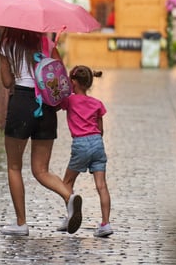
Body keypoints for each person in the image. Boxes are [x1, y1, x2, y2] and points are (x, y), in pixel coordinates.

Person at [0, 26, 82, 236]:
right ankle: (68, 196)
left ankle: (21, 223)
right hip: (46, 107)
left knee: (14, 167)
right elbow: (60, 75)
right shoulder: (47, 44)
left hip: (22, 104)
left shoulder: (7, 45)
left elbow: (8, 82)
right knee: (41, 169)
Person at [58, 65, 113, 238]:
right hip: (97, 143)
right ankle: (105, 224)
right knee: (101, 186)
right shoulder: (97, 104)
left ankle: (70, 217)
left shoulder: (70, 100)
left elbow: (56, 103)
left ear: (73, 82)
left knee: (66, 183)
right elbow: (101, 130)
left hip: (80, 144)